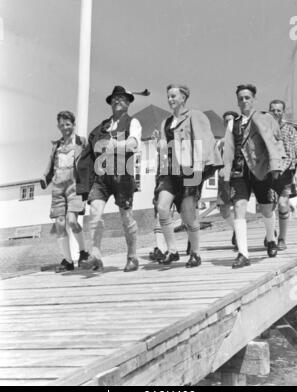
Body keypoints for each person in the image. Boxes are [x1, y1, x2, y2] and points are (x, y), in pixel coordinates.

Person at [155, 84, 223, 267]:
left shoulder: (195, 116)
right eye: (168, 96)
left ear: (184, 98)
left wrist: (198, 171)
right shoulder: (165, 123)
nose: (170, 99)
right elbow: (163, 146)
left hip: (190, 171)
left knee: (188, 214)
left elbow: (203, 141)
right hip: (170, 172)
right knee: (162, 207)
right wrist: (159, 146)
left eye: (173, 96)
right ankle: (172, 250)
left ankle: (195, 252)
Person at [77, 85, 142, 272]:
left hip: (122, 175)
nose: (118, 101)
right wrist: (83, 184)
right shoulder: (101, 127)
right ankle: (95, 255)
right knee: (95, 214)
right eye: (115, 98)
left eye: (122, 98)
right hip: (101, 177)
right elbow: (88, 152)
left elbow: (134, 144)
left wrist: (116, 144)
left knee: (126, 217)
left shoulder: (133, 122)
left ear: (129, 103)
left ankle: (132, 256)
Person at [223, 84, 286, 269]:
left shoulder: (265, 119)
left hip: (260, 170)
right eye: (241, 98)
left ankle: (271, 238)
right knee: (239, 206)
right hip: (239, 172)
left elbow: (276, 141)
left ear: (254, 99)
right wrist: (226, 173)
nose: (244, 101)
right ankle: (243, 253)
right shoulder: (232, 123)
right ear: (237, 101)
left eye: (247, 97)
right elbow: (228, 150)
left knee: (266, 209)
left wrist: (276, 165)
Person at [40, 111, 88, 273]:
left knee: (72, 221)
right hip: (58, 187)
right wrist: (44, 178)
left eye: (68, 124)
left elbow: (90, 162)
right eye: (62, 125)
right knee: (60, 224)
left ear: (73, 125)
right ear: (58, 126)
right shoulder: (57, 146)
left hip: (75, 186)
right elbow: (49, 165)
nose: (65, 128)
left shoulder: (82, 142)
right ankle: (68, 261)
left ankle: (83, 252)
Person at [268, 100, 297, 249]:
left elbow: (292, 154)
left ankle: (282, 238)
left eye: (279, 110)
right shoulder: (265, 128)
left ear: (283, 112)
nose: (276, 113)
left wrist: (279, 169)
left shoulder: (290, 129)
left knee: (282, 204)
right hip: (267, 172)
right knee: (267, 206)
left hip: (285, 172)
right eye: (273, 110)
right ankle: (270, 234)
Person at [217, 111, 239, 251]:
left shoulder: (239, 138)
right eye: (226, 121)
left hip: (238, 176)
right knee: (224, 210)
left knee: (238, 207)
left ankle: (240, 237)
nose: (228, 123)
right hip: (223, 179)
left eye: (231, 120)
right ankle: (236, 229)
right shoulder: (220, 142)